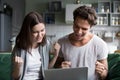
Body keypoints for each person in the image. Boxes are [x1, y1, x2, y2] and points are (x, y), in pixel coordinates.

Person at [55, 6, 108, 80]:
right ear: (73, 22)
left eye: (84, 29)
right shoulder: (62, 42)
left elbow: (105, 74)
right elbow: (56, 66)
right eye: (76, 26)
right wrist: (60, 68)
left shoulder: (100, 44)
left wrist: (103, 73)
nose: (79, 32)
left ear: (91, 27)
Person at [11, 11, 60, 80]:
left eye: (42, 30)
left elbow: (47, 71)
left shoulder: (46, 45)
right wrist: (17, 67)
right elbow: (15, 77)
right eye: (35, 32)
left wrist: (55, 55)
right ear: (27, 31)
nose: (40, 35)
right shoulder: (18, 48)